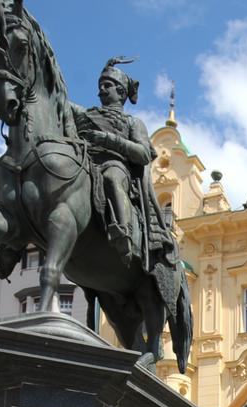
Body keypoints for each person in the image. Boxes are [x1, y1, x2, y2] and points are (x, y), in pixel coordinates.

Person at [77, 57, 175, 271]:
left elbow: (143, 153)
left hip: (116, 165)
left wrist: (108, 140)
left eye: (107, 86)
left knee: (111, 177)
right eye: (100, 86)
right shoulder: (86, 115)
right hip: (87, 162)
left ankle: (123, 234)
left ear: (121, 92)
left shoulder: (133, 123)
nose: (101, 90)